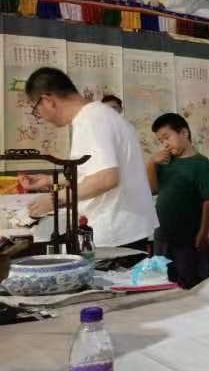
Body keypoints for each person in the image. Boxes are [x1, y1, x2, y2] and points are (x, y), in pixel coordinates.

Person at [20, 68, 157, 250]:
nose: (40, 117)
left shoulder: (91, 120)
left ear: (48, 101)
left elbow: (106, 178)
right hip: (122, 229)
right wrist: (49, 181)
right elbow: (93, 173)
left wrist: (55, 199)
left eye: (36, 109)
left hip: (113, 234)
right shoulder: (100, 116)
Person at [146, 113, 209, 289]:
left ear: (184, 133)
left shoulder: (201, 163)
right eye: (161, 141)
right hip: (163, 234)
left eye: (167, 137)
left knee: (189, 281)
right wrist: (151, 164)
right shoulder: (165, 162)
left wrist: (203, 233)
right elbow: (154, 189)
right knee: (162, 280)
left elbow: (208, 201)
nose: (165, 144)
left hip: (187, 237)